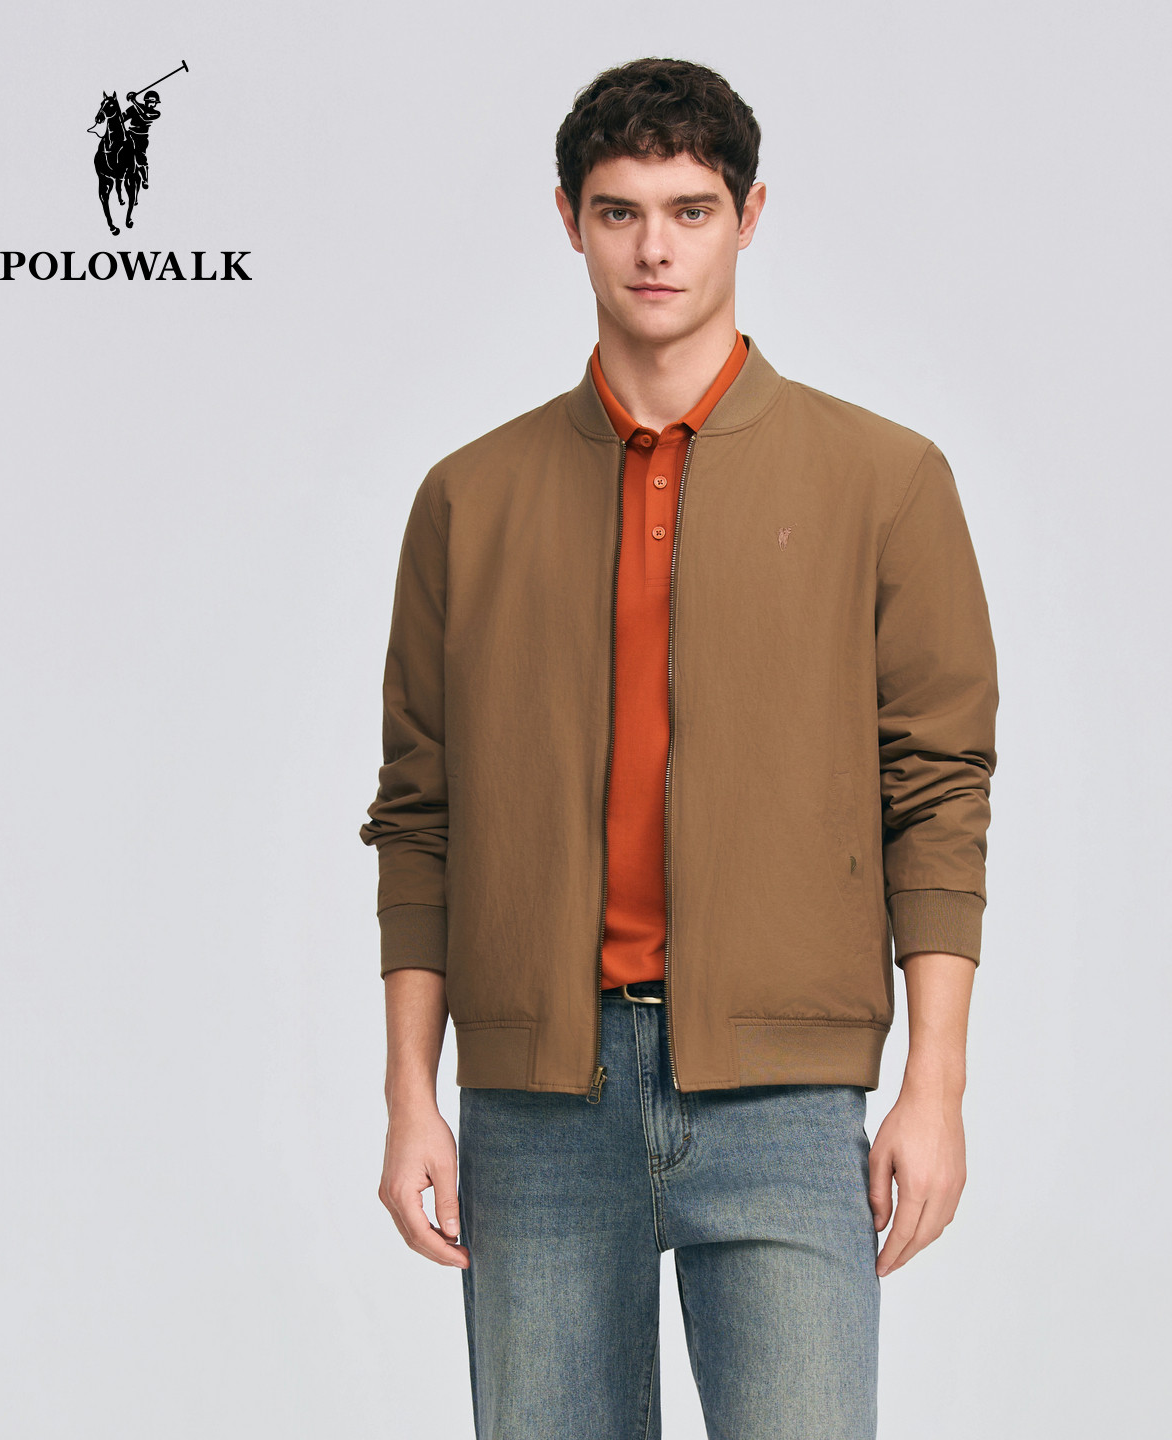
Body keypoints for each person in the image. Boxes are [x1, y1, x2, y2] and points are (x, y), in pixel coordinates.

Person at [359, 56, 999, 1440]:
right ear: (570, 220)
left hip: (786, 1100)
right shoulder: (470, 500)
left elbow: (939, 791)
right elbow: (420, 811)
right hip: (538, 1106)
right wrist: (412, 1094)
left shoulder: (885, 482)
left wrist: (935, 1086)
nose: (656, 247)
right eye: (621, 211)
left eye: (691, 210)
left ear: (749, 217)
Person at [121, 89, 160, 188]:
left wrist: (134, 101)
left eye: (155, 103)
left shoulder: (156, 113)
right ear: (147, 101)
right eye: (152, 102)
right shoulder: (134, 108)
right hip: (130, 134)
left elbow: (145, 116)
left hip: (141, 138)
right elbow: (121, 118)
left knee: (140, 157)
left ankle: (145, 179)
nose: (154, 105)